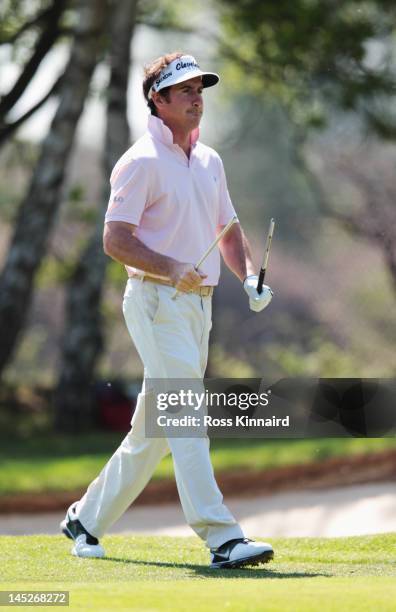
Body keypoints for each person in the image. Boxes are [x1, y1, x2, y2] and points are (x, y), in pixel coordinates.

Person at [61, 52, 274, 569]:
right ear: (157, 100)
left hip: (198, 310)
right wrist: (169, 266)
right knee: (187, 414)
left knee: (152, 435)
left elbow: (228, 228)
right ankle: (222, 536)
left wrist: (247, 275)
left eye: (200, 89)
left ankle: (85, 519)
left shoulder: (210, 161)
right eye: (184, 91)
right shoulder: (139, 162)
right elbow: (115, 240)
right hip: (156, 302)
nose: (196, 98)